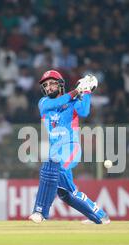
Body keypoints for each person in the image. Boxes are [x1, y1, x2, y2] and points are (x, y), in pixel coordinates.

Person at [28, 70, 110, 224]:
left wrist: (86, 92)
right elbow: (57, 103)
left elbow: (84, 112)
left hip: (70, 148)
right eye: (45, 85)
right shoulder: (44, 103)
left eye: (52, 83)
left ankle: (40, 212)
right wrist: (76, 91)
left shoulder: (73, 101)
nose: (49, 87)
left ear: (60, 85)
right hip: (55, 150)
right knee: (67, 194)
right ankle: (100, 216)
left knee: (52, 165)